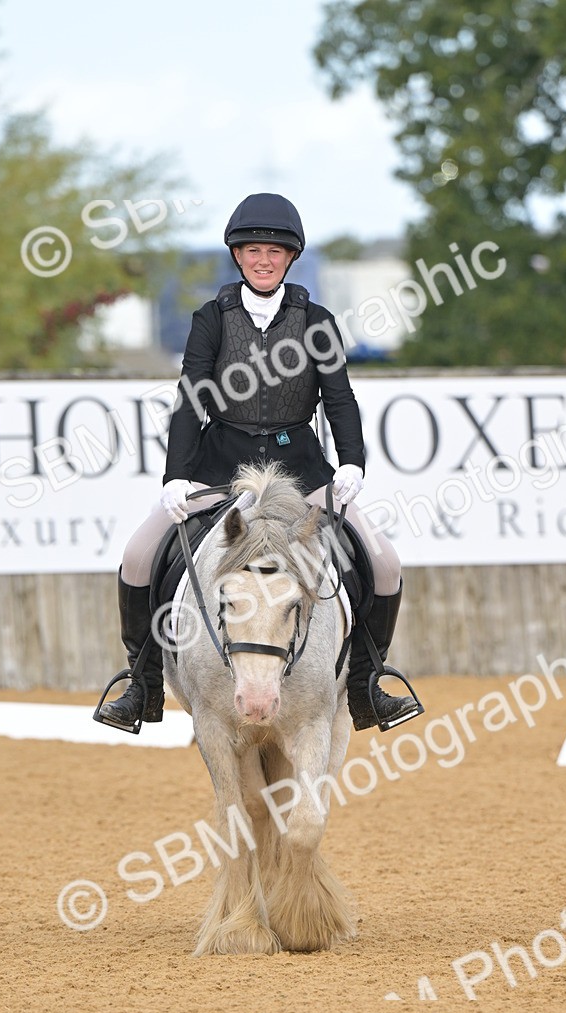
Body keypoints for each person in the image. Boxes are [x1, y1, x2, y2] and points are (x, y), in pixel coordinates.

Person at [97, 193, 423, 734]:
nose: (264, 260)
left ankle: (368, 684)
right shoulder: (212, 320)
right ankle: (143, 685)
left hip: (301, 472)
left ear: (291, 257)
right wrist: (176, 475)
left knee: (383, 565)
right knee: (137, 557)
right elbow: (190, 396)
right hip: (219, 468)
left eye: (274, 250)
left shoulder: (316, 321)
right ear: (238, 255)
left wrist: (352, 463)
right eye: (253, 250)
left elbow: (339, 398)